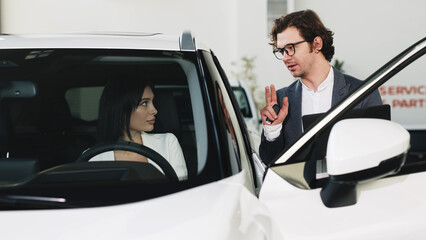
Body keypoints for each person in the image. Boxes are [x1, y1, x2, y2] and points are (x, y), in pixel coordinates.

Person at [259, 9, 383, 165]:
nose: (284, 58)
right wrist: (272, 131)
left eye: (290, 48)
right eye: (281, 51)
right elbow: (269, 163)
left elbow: (379, 152)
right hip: (297, 189)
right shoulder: (280, 100)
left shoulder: (363, 93)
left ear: (316, 44)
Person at [89, 77, 188, 181]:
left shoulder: (168, 142)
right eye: (144, 103)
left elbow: (181, 190)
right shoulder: (93, 156)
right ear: (121, 108)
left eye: (153, 102)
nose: (154, 110)